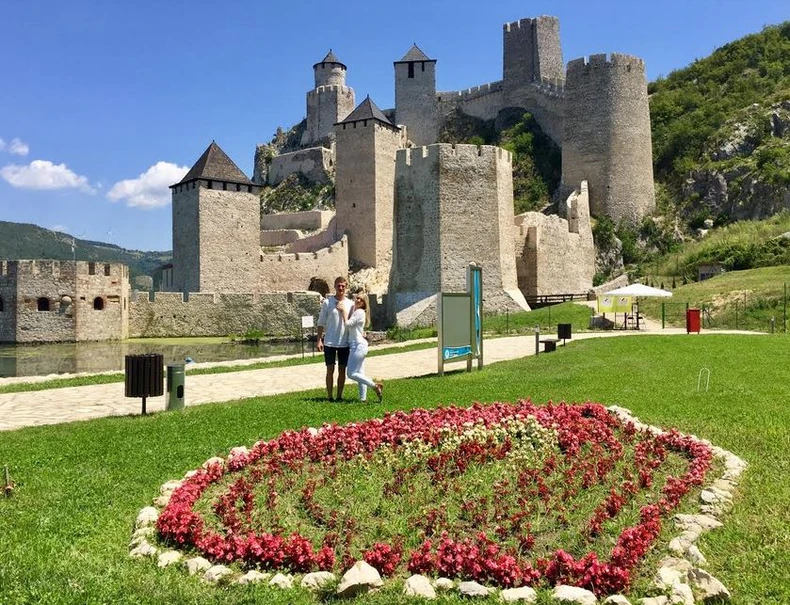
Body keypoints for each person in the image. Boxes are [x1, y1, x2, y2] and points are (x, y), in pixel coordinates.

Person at [316, 276, 354, 401]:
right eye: (338, 285)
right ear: (335, 286)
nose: (341, 288)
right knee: (330, 370)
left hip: (344, 342)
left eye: (343, 286)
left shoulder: (350, 304)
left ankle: (339, 396)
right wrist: (319, 340)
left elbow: (353, 323)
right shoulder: (328, 303)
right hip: (330, 342)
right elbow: (321, 322)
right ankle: (330, 396)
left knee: (342, 370)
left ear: (346, 287)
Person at [341, 292, 383, 403]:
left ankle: (375, 386)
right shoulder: (358, 312)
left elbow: (348, 324)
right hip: (359, 345)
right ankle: (363, 399)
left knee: (351, 374)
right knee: (360, 373)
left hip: (358, 346)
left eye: (361, 299)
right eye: (357, 298)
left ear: (364, 303)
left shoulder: (359, 312)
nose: (358, 300)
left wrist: (343, 312)